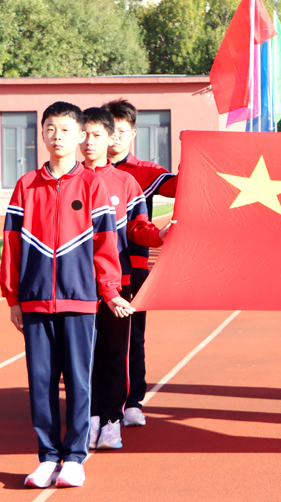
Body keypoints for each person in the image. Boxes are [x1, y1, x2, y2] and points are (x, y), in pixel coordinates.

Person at [0, 101, 133, 489]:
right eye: (50, 129)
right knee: (40, 381)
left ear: (79, 136)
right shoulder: (26, 185)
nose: (57, 136)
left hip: (79, 300)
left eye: (65, 130)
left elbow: (106, 245)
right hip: (35, 299)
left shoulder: (93, 185)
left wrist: (109, 291)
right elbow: (11, 245)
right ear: (42, 134)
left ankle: (75, 457)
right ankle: (47, 457)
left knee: (78, 381)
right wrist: (13, 298)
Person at [80, 107, 171, 450]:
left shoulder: (127, 182)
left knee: (117, 351)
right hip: (76, 282)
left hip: (120, 280)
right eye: (85, 135)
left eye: (98, 135)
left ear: (111, 138)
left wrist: (158, 235)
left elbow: (137, 227)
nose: (90, 142)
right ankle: (88, 418)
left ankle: (112, 419)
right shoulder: (68, 180)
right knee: (81, 354)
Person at [102, 99, 178, 427]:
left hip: (132, 268)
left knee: (133, 338)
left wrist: (196, 155)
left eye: (122, 131)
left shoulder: (146, 172)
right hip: (91, 270)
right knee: (95, 339)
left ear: (133, 134)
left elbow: (180, 186)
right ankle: (98, 402)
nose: (115, 137)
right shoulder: (85, 171)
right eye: (110, 131)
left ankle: (132, 402)